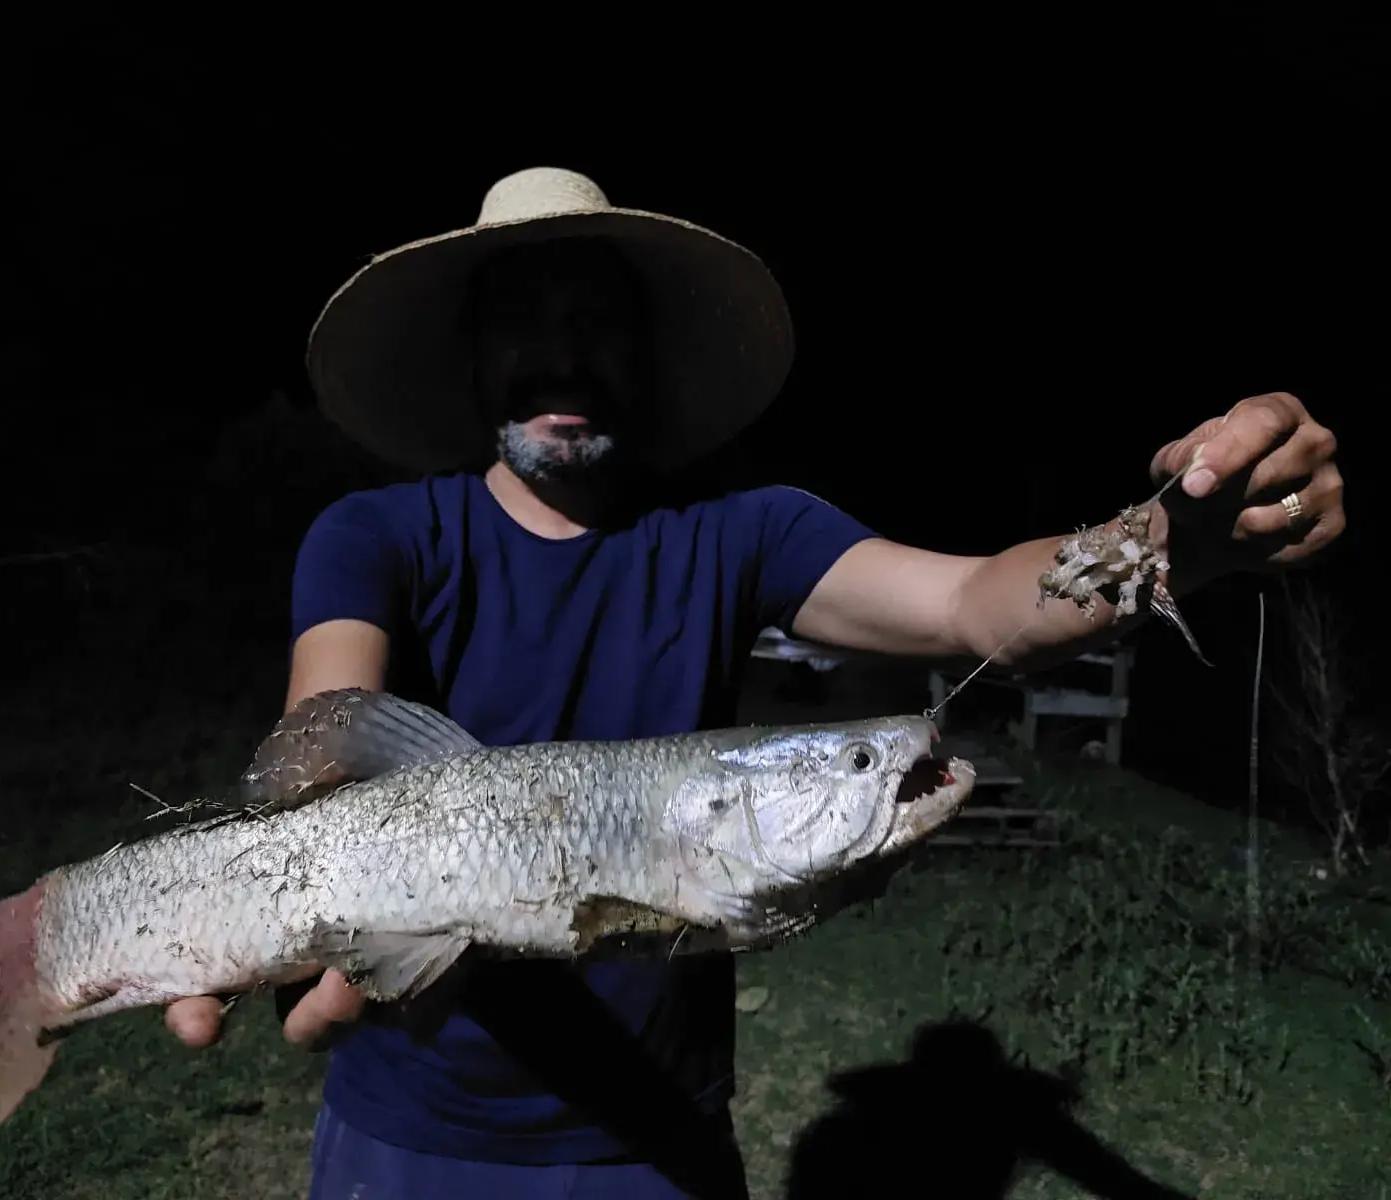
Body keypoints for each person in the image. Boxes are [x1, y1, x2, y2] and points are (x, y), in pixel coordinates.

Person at [163, 168, 1345, 1198]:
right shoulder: (374, 536)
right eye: (522, 316)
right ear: (472, 353)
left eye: (595, 317)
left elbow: (973, 606)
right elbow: (319, 747)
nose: (561, 350)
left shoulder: (742, 531)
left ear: (645, 350)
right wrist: (265, 909)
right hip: (409, 1126)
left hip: (660, 1137)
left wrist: (1171, 540)